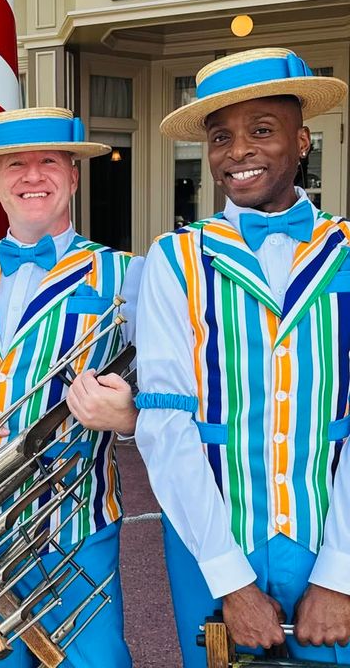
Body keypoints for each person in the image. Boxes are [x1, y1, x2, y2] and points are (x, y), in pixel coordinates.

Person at [135, 47, 350, 666]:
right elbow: (165, 420)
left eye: (262, 131)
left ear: (302, 140)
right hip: (211, 542)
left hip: (332, 536)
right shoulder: (176, 259)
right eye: (221, 137)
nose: (238, 152)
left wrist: (337, 574)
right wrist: (229, 579)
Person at [0, 107, 143, 668]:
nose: (31, 175)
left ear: (73, 176)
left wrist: (128, 412)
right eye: (15, 164)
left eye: (48, 162)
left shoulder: (127, 275)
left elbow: (163, 386)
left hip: (76, 519)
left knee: (97, 659)